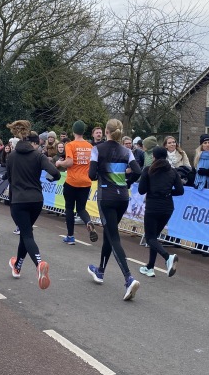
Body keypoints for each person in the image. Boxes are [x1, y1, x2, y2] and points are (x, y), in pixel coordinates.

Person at [87, 119, 143, 301]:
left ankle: (128, 278)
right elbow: (138, 171)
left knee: (114, 236)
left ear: (106, 131)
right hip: (122, 197)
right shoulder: (127, 151)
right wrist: (126, 181)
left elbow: (91, 175)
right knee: (110, 234)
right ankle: (101, 270)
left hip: (106, 197)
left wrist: (102, 172)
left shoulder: (97, 149)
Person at [4, 121, 60, 289]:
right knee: (26, 233)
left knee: (27, 235)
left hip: (18, 200)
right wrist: (49, 178)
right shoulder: (38, 155)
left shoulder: (11, 157)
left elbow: (9, 178)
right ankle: (17, 266)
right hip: (36, 200)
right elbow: (56, 174)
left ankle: (39, 264)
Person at [137, 147, 184, 278]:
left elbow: (141, 190)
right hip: (168, 207)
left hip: (153, 206)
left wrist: (151, 188)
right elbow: (180, 191)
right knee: (154, 238)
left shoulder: (148, 170)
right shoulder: (173, 171)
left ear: (154, 157)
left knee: (149, 238)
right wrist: (168, 192)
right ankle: (150, 267)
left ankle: (168, 257)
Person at [56, 120, 97, 245]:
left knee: (69, 208)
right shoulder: (90, 147)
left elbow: (69, 162)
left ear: (73, 131)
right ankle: (88, 222)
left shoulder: (70, 145)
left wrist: (59, 163)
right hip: (86, 182)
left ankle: (70, 236)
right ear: (84, 131)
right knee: (81, 209)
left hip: (72, 181)